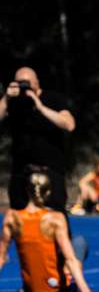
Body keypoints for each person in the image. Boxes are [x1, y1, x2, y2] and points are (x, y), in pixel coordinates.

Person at [0, 173, 99, 292]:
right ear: (48, 193)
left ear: (27, 191)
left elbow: (1, 257)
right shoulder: (55, 219)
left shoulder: (12, 217)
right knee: (79, 242)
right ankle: (76, 285)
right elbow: (70, 258)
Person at [0, 67, 75, 211]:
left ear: (37, 82)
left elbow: (69, 125)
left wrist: (40, 106)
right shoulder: (13, 102)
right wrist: (6, 98)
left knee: (54, 217)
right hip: (21, 172)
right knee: (18, 218)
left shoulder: (53, 98)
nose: (24, 86)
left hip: (50, 171)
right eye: (19, 82)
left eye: (27, 82)